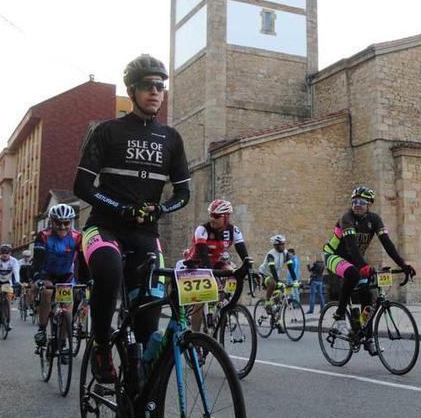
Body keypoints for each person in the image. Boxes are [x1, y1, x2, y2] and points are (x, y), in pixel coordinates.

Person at [73, 54, 191, 384]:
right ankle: (99, 344)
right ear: (132, 90)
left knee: (147, 326)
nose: (156, 92)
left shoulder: (171, 138)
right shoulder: (107, 132)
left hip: (145, 234)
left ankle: (140, 395)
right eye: (148, 86)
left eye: (161, 86)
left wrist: (161, 209)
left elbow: (183, 195)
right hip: (103, 227)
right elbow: (81, 185)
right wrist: (120, 208)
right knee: (109, 270)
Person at [322, 186, 416, 355]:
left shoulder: (375, 220)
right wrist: (364, 266)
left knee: (369, 298)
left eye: (362, 202)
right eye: (355, 201)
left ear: (369, 205)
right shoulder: (347, 218)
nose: (357, 205)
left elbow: (387, 244)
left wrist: (403, 265)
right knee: (352, 273)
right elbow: (351, 245)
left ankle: (367, 337)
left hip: (355, 260)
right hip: (333, 256)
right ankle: (340, 314)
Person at [181, 199, 254, 333]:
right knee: (200, 302)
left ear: (226, 217)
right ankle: (195, 336)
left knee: (233, 271)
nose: (211, 218)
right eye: (210, 215)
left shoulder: (234, 230)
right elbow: (203, 254)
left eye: (215, 216)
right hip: (197, 263)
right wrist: (212, 276)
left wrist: (250, 269)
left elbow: (242, 251)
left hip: (217, 262)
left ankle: (220, 304)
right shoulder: (202, 229)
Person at [32, 203, 85, 351]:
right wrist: (38, 279)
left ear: (71, 222)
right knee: (47, 292)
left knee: (68, 306)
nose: (62, 227)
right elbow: (38, 260)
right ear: (51, 222)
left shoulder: (77, 237)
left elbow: (82, 261)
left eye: (66, 223)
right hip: (47, 272)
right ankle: (42, 329)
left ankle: (62, 343)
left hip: (66, 274)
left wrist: (86, 280)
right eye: (58, 223)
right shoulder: (44, 236)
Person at [259, 234, 299, 332]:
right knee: (272, 284)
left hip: (275, 276)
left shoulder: (286, 254)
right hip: (265, 274)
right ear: (275, 246)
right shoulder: (271, 255)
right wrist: (278, 282)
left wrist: (295, 280)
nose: (282, 246)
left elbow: (290, 267)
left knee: (280, 300)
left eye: (283, 244)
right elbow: (272, 269)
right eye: (279, 245)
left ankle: (277, 322)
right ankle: (267, 301)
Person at [0, 243, 21, 329]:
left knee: (8, 298)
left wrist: (17, 282)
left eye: (7, 253)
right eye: (3, 252)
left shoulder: (14, 261)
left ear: (10, 253)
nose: (5, 255)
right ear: (0, 253)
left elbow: (16, 272)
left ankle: (8, 321)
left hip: (7, 281)